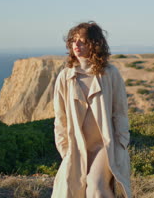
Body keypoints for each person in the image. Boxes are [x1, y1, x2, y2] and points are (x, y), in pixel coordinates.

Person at [51, 21, 131, 198]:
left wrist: (121, 143)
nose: (76, 45)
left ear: (95, 45)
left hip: (105, 145)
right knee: (69, 191)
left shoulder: (110, 73)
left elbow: (120, 112)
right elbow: (60, 117)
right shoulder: (65, 76)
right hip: (76, 146)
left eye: (82, 41)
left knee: (96, 187)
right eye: (74, 41)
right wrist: (64, 148)